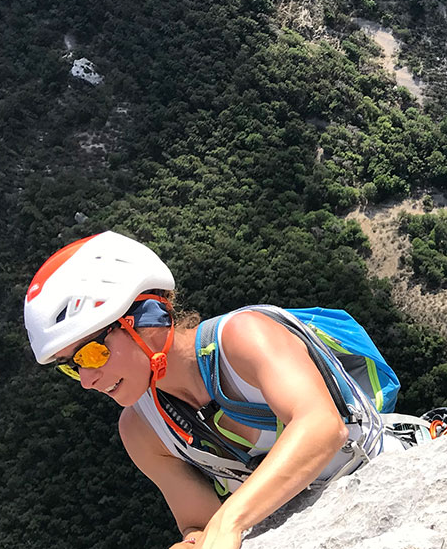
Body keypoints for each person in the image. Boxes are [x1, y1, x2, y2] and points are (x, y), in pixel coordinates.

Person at [23, 231, 407, 549]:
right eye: (72, 366)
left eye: (92, 353)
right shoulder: (141, 430)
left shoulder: (244, 337)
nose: (87, 379)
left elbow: (321, 426)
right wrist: (194, 540)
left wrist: (230, 521)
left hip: (394, 487)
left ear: (144, 320)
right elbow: (201, 522)